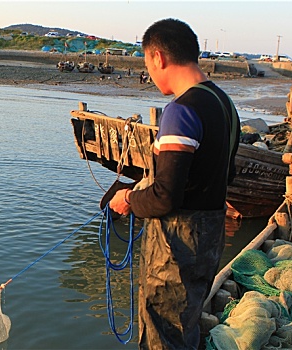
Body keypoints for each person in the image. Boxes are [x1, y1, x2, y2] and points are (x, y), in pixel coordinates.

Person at [108, 18, 240, 349]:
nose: (150, 74)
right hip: (208, 241)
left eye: (147, 65)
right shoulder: (225, 105)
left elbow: (165, 198)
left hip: (176, 249)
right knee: (186, 325)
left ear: (158, 58)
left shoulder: (181, 110)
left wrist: (127, 199)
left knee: (162, 332)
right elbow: (226, 174)